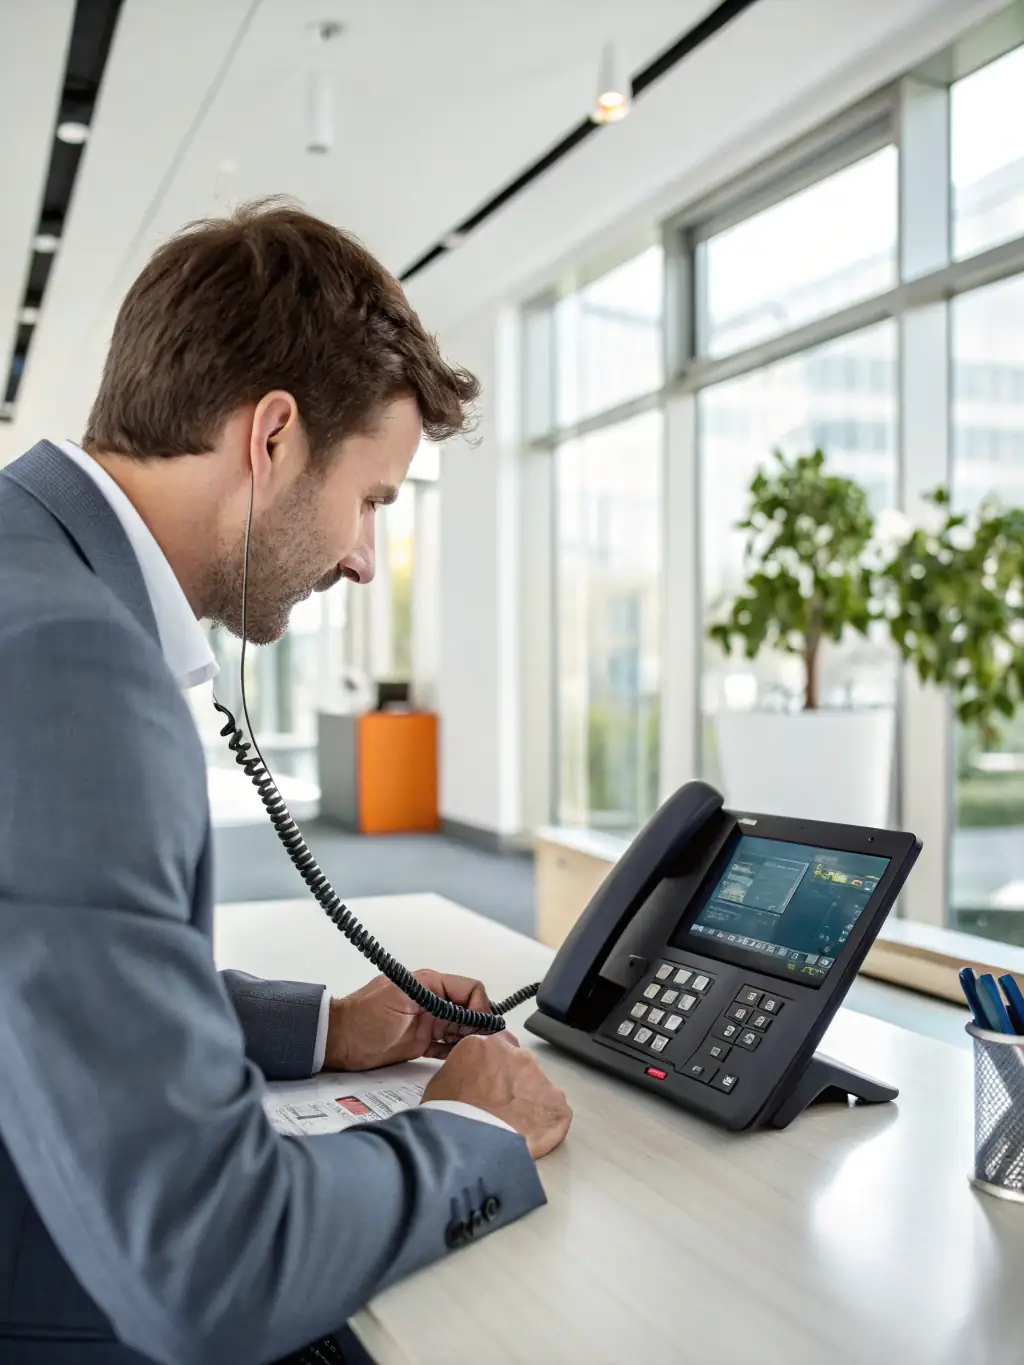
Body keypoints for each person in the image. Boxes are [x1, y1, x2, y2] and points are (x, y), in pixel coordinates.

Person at [0, 200, 572, 1365]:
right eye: (371, 500)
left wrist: (324, 1028)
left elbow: (50, 970)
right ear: (271, 436)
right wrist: (468, 1126)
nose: (366, 558)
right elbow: (208, 1265)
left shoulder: (29, 571)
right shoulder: (71, 662)